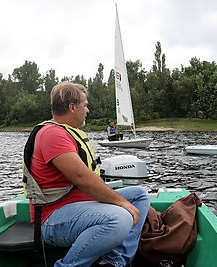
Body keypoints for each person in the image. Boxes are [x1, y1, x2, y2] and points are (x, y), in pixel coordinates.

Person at [23, 82, 150, 267]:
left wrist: (122, 202)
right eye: (85, 105)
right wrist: (122, 203)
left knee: (139, 195)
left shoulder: (65, 132)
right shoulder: (52, 134)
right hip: (52, 218)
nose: (87, 110)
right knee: (119, 218)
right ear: (72, 107)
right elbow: (82, 178)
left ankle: (114, 261)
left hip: (80, 205)